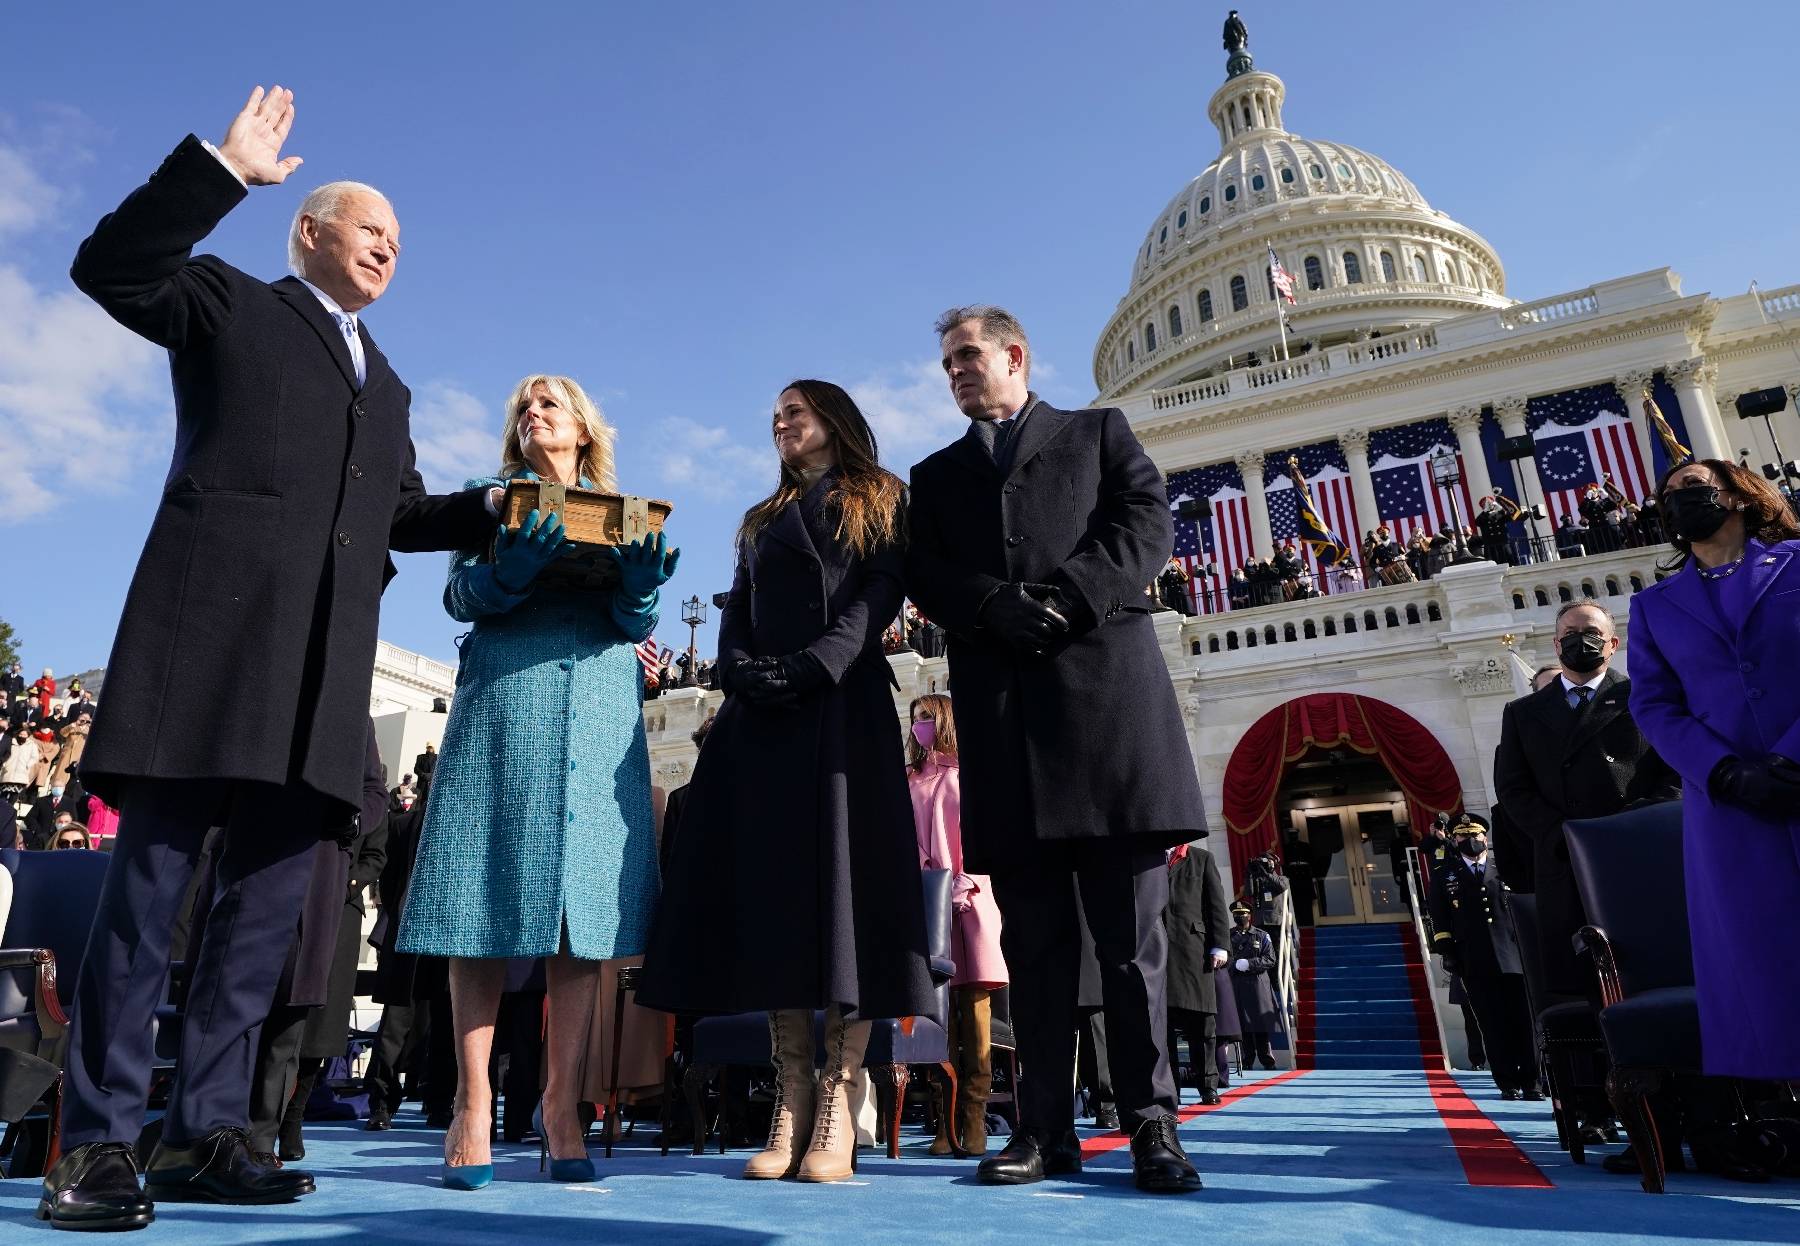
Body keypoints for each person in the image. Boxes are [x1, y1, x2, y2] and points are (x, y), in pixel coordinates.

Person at [37, 87, 499, 1232]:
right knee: (148, 910)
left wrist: (492, 507)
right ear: (309, 230)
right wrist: (220, 171)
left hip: (319, 686)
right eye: (370, 226)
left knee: (256, 930)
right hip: (208, 651)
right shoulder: (227, 301)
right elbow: (112, 266)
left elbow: (395, 511)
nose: (391, 244)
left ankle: (206, 1133)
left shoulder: (387, 384)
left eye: (400, 236)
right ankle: (92, 1142)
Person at [905, 305, 1204, 1193]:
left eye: (968, 356)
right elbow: (923, 569)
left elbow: (1145, 526)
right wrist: (990, 602)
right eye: (947, 363)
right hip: (1007, 733)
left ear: (1015, 355)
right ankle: (1043, 1132)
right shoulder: (936, 474)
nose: (956, 371)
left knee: (1128, 948)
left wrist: (1070, 597)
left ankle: (1153, 1126)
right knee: (1032, 952)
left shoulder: (1098, 433)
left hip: (1109, 718)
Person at [639, 379, 935, 1184]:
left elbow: (880, 595)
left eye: (794, 412)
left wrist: (817, 664)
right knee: (775, 905)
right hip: (763, 722)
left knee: (843, 898)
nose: (780, 425)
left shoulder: (881, 496)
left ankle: (840, 1096)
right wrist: (738, 672)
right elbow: (737, 610)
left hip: (841, 713)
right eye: (774, 415)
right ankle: (790, 1094)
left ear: (833, 421)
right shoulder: (761, 521)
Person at [397, 373, 677, 1189]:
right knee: (478, 898)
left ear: (584, 429)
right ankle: (473, 1104)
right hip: (506, 701)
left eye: (549, 405)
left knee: (581, 913)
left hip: (596, 704)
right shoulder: (490, 502)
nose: (533, 414)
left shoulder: (624, 511)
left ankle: (563, 1108)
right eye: (524, 406)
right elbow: (457, 595)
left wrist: (641, 591)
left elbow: (635, 625)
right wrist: (506, 576)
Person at [1626, 457, 1800, 1080]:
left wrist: (1789, 759)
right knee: (1758, 954)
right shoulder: (1654, 606)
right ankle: (1779, 1104)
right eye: (1667, 496)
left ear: (1737, 496)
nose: (1677, 501)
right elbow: (1653, 704)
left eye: (1692, 488)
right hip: (1729, 806)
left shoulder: (1797, 563)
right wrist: (1722, 771)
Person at [1493, 599, 1677, 998]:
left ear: (1612, 644)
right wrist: (1564, 835)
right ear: (1557, 646)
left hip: (1637, 853)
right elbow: (1512, 788)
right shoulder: (1522, 713)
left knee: (1650, 974)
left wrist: (1631, 826)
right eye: (1571, 635)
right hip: (1565, 861)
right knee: (1579, 987)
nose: (1582, 642)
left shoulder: (1643, 697)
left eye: (1592, 634)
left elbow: (1674, 773)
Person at [906, 693, 1006, 1156]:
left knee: (976, 1007)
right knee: (937, 1013)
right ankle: (944, 1122)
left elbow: (977, 835)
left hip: (969, 898)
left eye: (926, 718)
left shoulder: (965, 774)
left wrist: (964, 884)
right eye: (913, 720)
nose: (918, 727)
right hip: (927, 904)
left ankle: (975, 1116)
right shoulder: (908, 779)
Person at [1426, 813, 1540, 1099]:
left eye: (1476, 836)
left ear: (1486, 838)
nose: (1472, 841)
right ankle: (1507, 1082)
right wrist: (1447, 951)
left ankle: (1532, 1082)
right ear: (1454, 840)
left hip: (1514, 956)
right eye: (1464, 837)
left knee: (1524, 1021)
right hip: (1473, 959)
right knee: (1491, 1022)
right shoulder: (1445, 875)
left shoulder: (1506, 869)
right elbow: (1440, 918)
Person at [1163, 843, 1231, 1105]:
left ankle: (1208, 1084)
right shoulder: (1149, 858)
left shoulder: (1201, 858)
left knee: (1202, 1024)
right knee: (1162, 1027)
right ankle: (1170, 1090)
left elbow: (1215, 905)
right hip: (1159, 953)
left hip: (1195, 951)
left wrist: (1220, 945)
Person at [1227, 902, 1280, 1069]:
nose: (1239, 917)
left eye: (1242, 914)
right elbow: (1224, 958)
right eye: (1236, 914)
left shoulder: (1261, 935)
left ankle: (1267, 1060)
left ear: (1249, 915)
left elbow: (1270, 959)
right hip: (1238, 984)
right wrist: (1234, 964)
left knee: (1261, 1022)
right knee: (1242, 1023)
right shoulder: (1228, 936)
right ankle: (1247, 1060)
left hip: (1257, 984)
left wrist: (1249, 964)